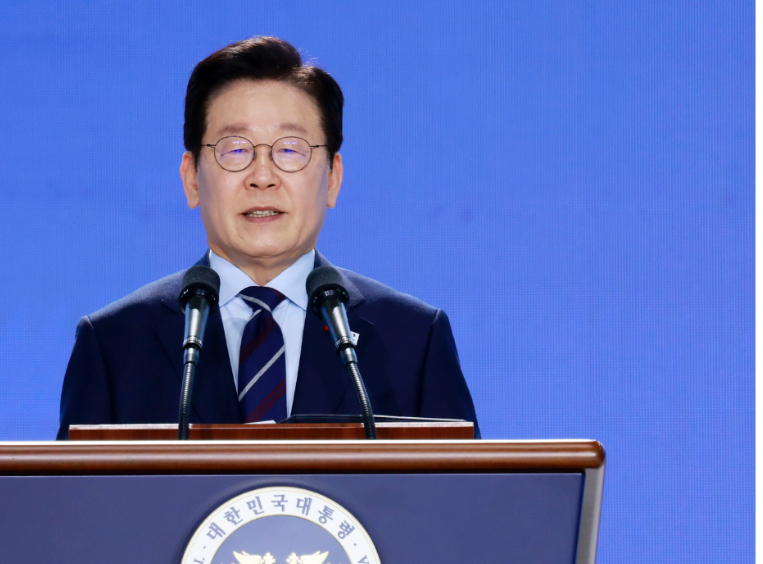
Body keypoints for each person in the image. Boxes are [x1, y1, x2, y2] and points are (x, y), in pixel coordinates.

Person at [56, 36, 477, 439]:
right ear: (191, 179)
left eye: (290, 149)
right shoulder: (114, 345)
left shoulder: (413, 339)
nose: (262, 177)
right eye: (235, 149)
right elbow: (77, 509)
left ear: (332, 178)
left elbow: (464, 507)